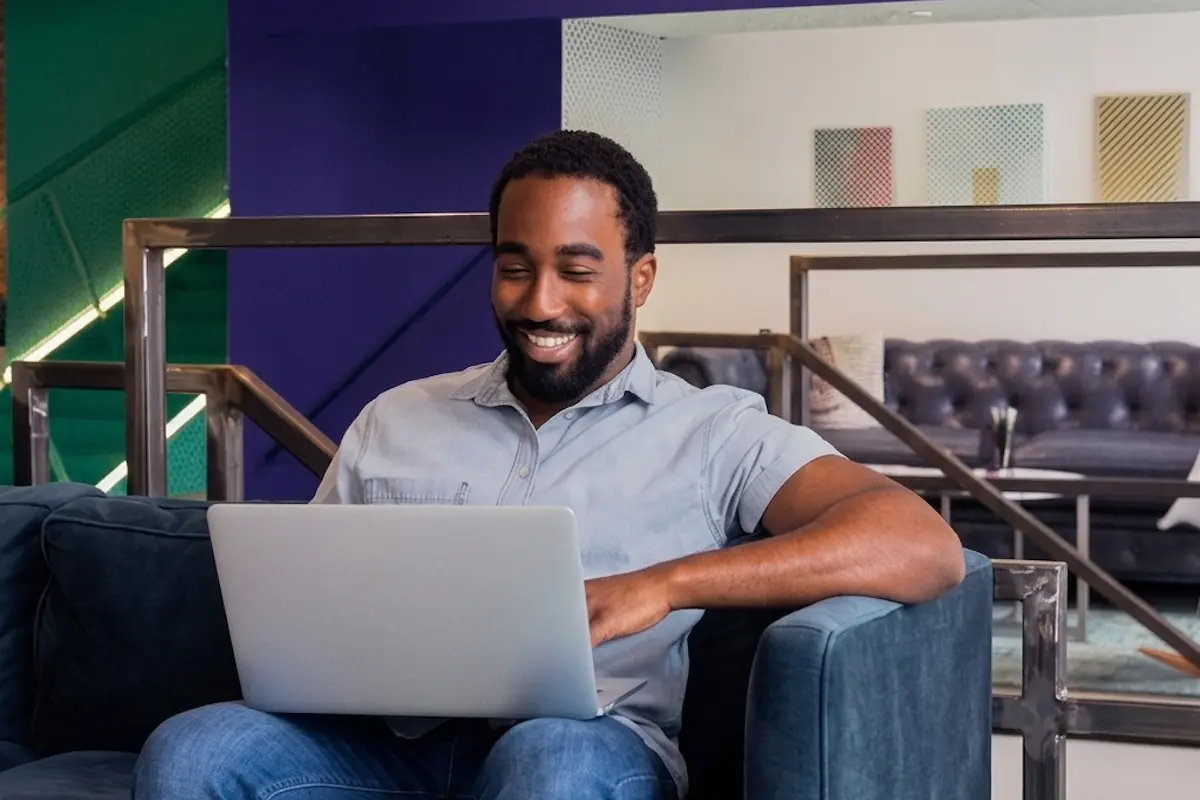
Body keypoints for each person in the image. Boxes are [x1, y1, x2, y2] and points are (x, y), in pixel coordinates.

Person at [132, 130, 966, 800]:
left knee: (548, 767)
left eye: (576, 270)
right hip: (380, 746)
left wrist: (663, 584)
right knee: (195, 750)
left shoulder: (713, 431)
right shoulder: (397, 416)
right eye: (515, 268)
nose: (540, 302)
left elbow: (919, 544)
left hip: (589, 749)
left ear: (641, 277)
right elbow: (311, 605)